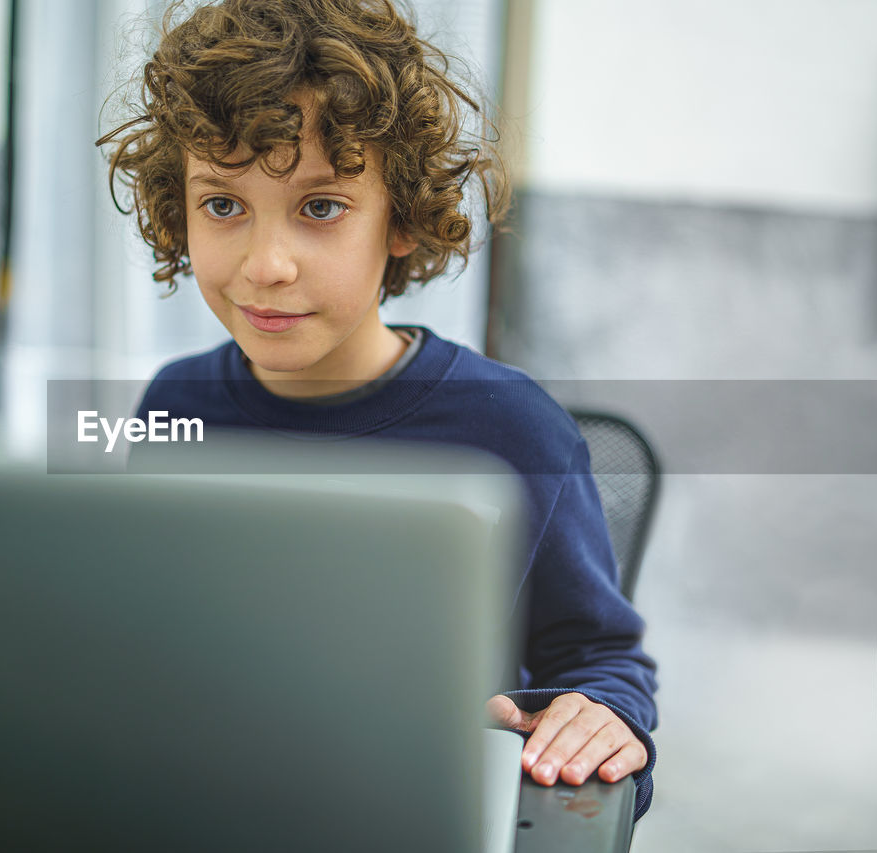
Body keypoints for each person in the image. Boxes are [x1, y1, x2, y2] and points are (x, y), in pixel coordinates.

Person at [97, 0, 658, 820]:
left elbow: (600, 656)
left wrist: (603, 714)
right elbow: (141, 631)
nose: (267, 265)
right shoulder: (173, 404)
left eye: (321, 207)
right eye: (223, 205)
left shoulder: (511, 429)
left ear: (399, 216)